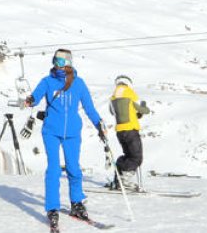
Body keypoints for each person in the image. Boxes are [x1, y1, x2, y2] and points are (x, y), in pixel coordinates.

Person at [23, 48, 104, 230]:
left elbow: (89, 108)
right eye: (54, 61)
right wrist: (30, 100)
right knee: (53, 169)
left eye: (60, 62)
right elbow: (35, 96)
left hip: (73, 133)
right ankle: (52, 208)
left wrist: (99, 125)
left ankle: (76, 203)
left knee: (74, 168)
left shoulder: (79, 84)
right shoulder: (48, 81)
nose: (56, 65)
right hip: (51, 131)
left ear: (68, 63)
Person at [108, 74, 150, 190]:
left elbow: (116, 113)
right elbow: (144, 110)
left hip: (120, 132)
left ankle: (118, 180)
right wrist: (144, 106)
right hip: (131, 131)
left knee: (127, 156)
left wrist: (135, 115)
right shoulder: (130, 94)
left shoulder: (113, 98)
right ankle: (125, 181)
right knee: (136, 158)